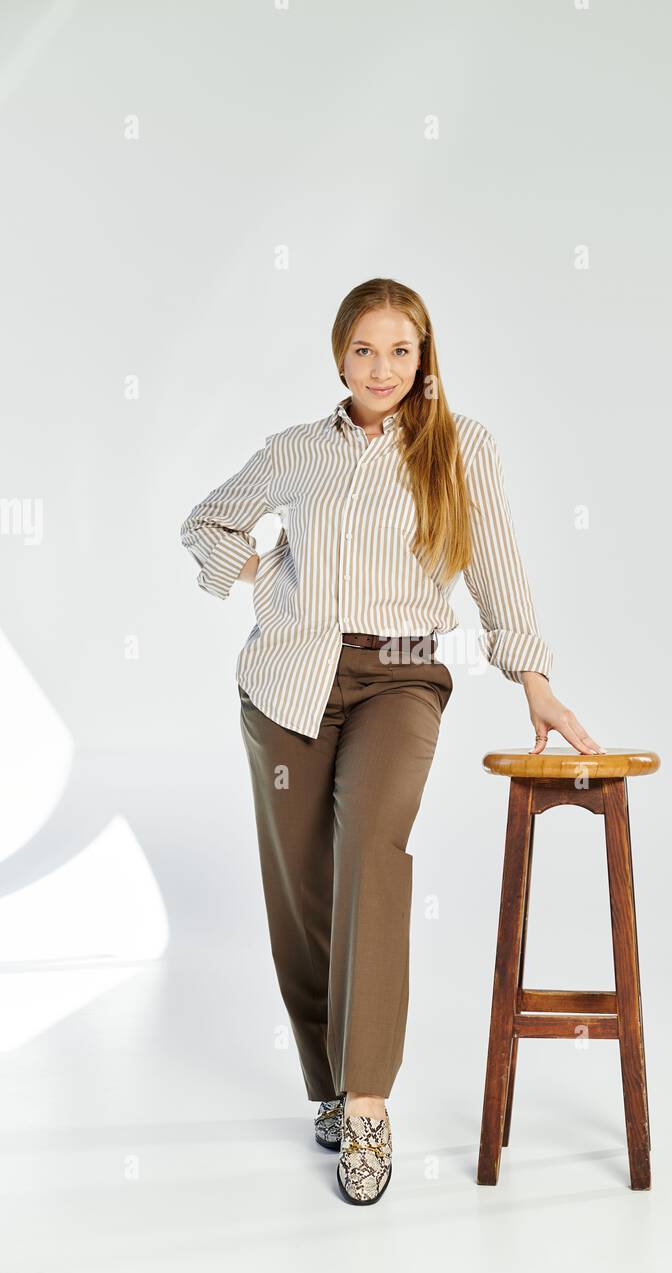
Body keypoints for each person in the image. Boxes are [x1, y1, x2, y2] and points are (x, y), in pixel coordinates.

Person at [180, 277, 604, 1205]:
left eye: (401, 350)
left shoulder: (460, 448)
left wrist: (531, 674)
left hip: (405, 674)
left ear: (425, 357)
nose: (383, 368)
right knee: (301, 892)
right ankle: (326, 1087)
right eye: (365, 350)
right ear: (340, 356)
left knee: (375, 844)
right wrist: (265, 570)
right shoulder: (296, 451)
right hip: (290, 682)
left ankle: (366, 1103)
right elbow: (205, 521)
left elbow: (496, 564)